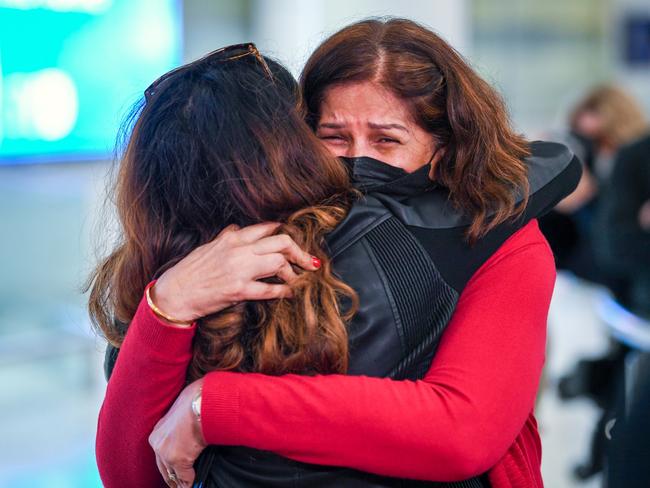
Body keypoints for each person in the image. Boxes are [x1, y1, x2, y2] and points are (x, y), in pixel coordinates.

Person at [94, 19, 581, 488]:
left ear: (446, 148)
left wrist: (213, 406)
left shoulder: (499, 235)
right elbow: (132, 471)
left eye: (387, 139)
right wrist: (170, 304)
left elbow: (463, 428)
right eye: (333, 137)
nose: (356, 160)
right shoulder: (244, 244)